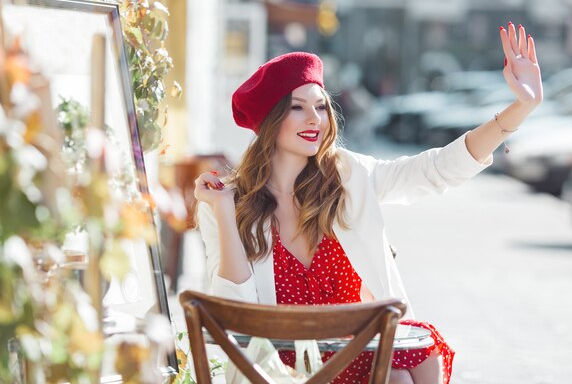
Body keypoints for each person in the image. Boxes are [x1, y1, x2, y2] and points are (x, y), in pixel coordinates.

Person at [194, 22, 543, 384]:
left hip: (356, 351)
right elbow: (232, 311)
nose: (315, 118)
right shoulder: (228, 200)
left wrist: (520, 108)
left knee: (411, 366)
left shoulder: (350, 176)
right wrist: (222, 209)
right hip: (277, 368)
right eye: (297, 108)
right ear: (269, 121)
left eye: (321, 106)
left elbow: (436, 169)